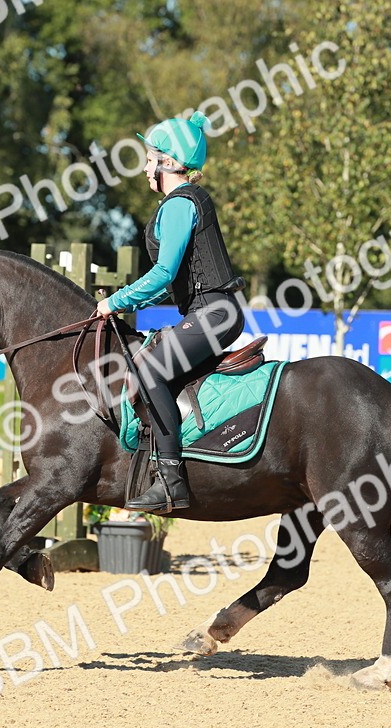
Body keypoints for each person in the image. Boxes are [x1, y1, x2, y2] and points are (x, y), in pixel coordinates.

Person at [95, 111, 247, 512]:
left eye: (149, 158)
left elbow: (163, 274)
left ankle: (171, 481)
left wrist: (115, 301)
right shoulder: (179, 204)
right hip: (211, 312)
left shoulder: (180, 204)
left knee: (148, 372)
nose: (145, 167)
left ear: (168, 162)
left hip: (216, 315)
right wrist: (127, 302)